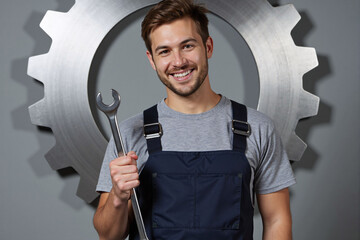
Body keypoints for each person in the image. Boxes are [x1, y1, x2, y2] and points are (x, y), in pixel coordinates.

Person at [93, 0, 296, 239]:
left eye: (187, 46)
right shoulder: (129, 133)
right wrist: (118, 195)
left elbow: (277, 220)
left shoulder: (258, 128)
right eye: (164, 51)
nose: (178, 61)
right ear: (152, 60)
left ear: (208, 47)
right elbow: (108, 235)